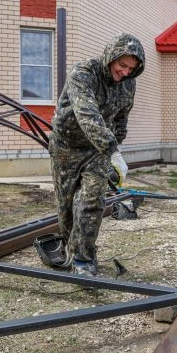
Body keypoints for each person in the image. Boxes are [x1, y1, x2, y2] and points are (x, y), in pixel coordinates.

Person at [48, 33, 145, 277]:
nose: (125, 72)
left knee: (92, 202)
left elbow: (121, 119)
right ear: (110, 56)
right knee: (67, 205)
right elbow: (87, 114)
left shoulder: (128, 83)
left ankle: (83, 260)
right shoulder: (83, 73)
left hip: (97, 151)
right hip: (66, 147)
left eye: (131, 68)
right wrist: (111, 149)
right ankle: (70, 248)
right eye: (122, 65)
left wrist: (116, 148)